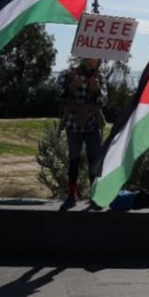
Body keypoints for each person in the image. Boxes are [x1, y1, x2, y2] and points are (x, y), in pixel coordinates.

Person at [56, 58, 108, 211]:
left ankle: (95, 196)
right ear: (84, 59)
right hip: (73, 122)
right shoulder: (68, 74)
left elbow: (104, 100)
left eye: (95, 59)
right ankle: (72, 196)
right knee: (74, 160)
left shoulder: (100, 77)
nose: (92, 61)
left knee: (95, 160)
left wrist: (97, 90)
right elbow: (58, 95)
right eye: (90, 58)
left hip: (92, 123)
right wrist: (71, 87)